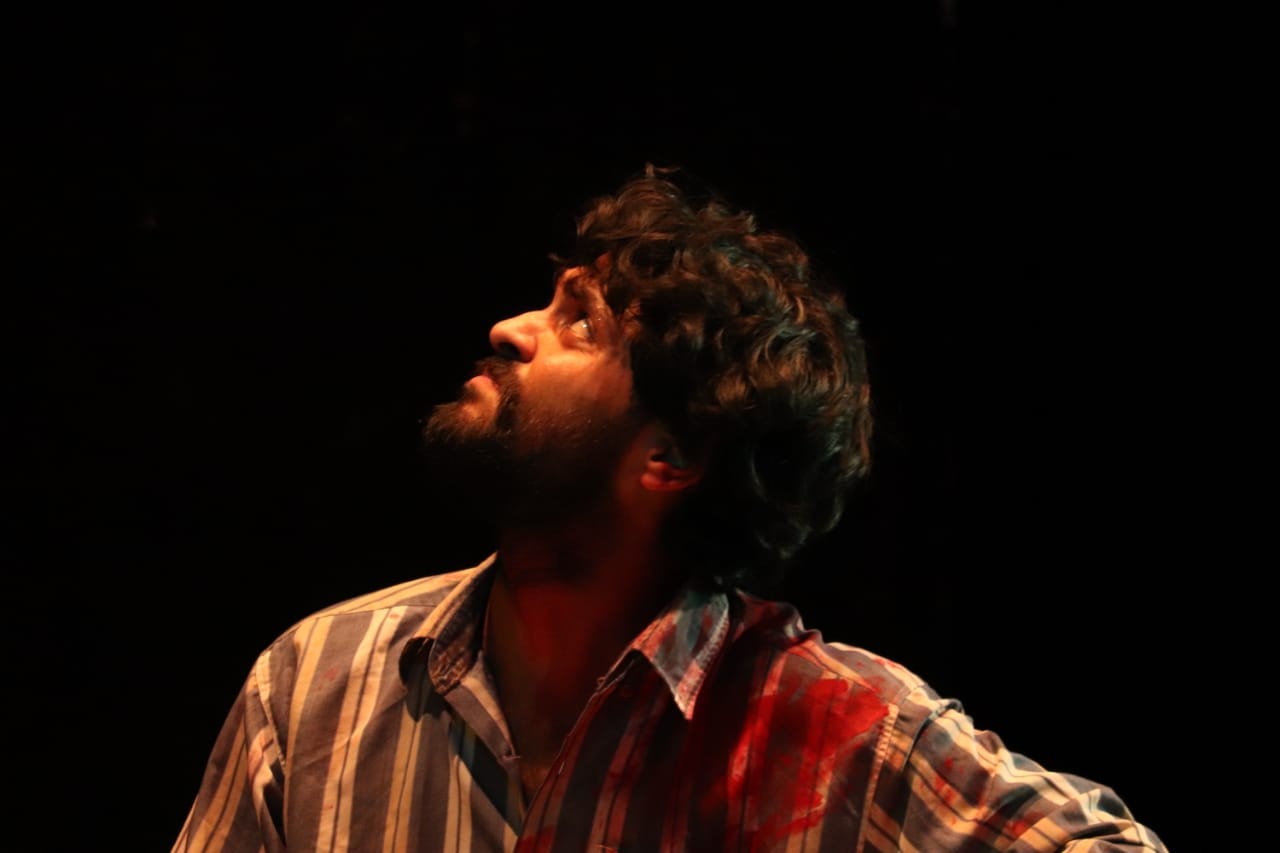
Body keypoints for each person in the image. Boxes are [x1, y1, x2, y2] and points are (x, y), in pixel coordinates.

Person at [174, 166, 1167, 852]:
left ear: (672, 456)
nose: (509, 328)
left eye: (578, 322)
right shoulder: (317, 684)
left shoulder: (828, 729)